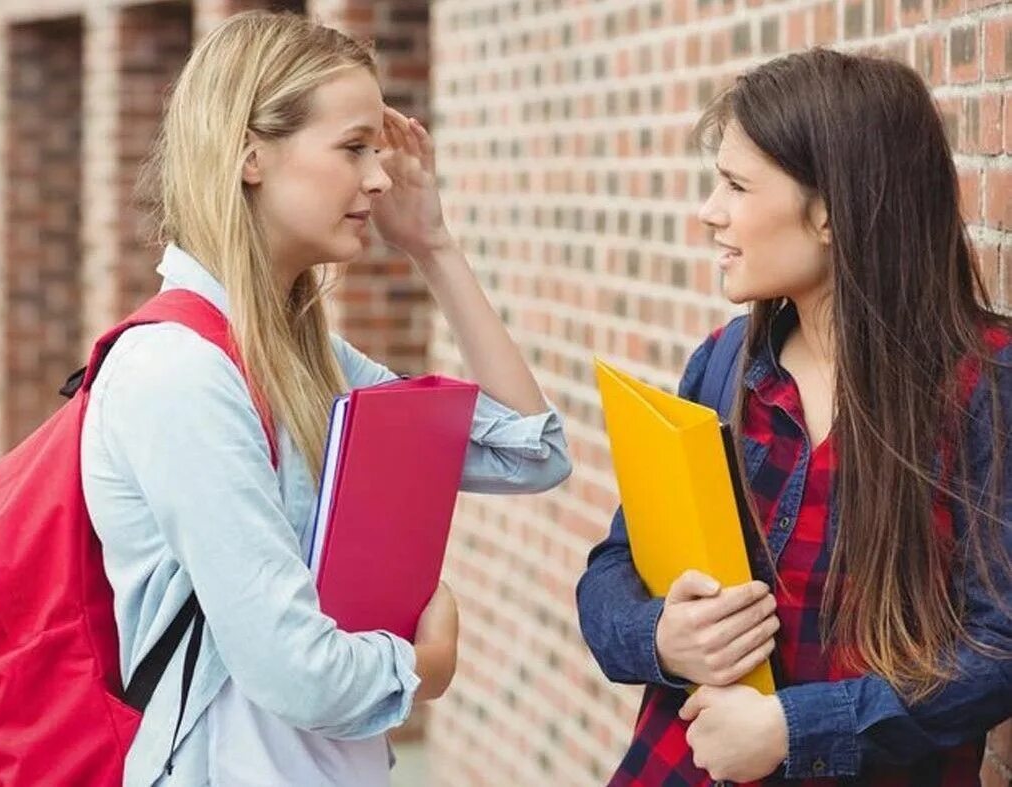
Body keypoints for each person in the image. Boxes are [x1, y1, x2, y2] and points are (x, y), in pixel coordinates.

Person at [81, 10, 571, 785]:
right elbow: (294, 670)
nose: (379, 177)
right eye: (352, 148)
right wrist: (424, 663)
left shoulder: (298, 352)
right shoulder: (180, 372)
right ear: (249, 157)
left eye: (377, 150)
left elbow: (529, 452)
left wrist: (433, 249)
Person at [577, 48, 1012, 785]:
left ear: (831, 213)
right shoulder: (721, 364)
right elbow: (616, 564)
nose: (708, 211)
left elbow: (998, 644)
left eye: (736, 185)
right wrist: (659, 634)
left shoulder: (984, 382)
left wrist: (792, 727)